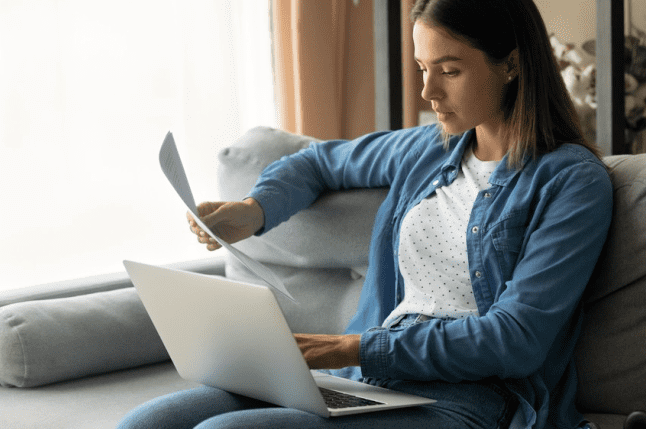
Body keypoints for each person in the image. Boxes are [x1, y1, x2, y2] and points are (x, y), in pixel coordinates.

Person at [117, 0, 612, 427]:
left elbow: (516, 340)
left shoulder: (572, 181)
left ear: (511, 64)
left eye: (450, 70)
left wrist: (349, 348)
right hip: (368, 381)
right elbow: (317, 163)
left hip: (471, 397)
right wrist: (253, 210)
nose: (427, 92)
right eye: (422, 68)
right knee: (148, 422)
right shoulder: (426, 149)